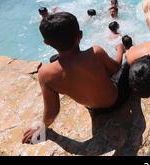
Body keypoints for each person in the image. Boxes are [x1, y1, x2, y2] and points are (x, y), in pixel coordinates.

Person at [22, 12, 127, 144]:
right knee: (128, 63)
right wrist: (120, 50)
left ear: (46, 43)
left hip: (93, 109)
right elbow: (116, 68)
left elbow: (52, 111)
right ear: (80, 35)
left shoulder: (45, 74)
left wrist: (41, 126)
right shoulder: (95, 52)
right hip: (116, 101)